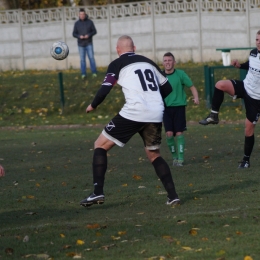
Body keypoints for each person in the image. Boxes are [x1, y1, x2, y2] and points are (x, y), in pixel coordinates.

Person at [80, 35, 180, 207]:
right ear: (134, 48)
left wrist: (93, 105)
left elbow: (105, 89)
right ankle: (173, 196)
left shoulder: (116, 64)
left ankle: (97, 192)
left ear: (118, 50)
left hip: (134, 111)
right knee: (154, 154)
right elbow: (167, 87)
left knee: (100, 145)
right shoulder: (149, 62)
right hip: (155, 112)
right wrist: (153, 100)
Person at [199, 30, 260, 169]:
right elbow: (251, 66)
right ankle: (214, 115)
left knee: (248, 130)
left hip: (256, 98)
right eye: (257, 39)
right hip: (245, 86)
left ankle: (246, 160)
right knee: (220, 85)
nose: (259, 42)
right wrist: (240, 66)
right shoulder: (253, 53)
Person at [162, 52, 199, 166]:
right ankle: (174, 158)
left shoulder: (180, 74)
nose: (167, 63)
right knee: (168, 134)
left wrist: (196, 97)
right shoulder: (159, 76)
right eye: (165, 61)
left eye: (169, 60)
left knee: (178, 132)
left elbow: (192, 86)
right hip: (165, 108)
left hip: (179, 107)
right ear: (163, 63)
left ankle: (181, 159)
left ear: (174, 62)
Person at [72, 8, 97, 80]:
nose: (82, 15)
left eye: (83, 14)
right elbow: (74, 33)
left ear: (85, 14)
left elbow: (94, 31)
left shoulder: (90, 22)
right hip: (80, 44)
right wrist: (79, 36)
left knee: (91, 58)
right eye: (80, 14)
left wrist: (88, 35)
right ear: (79, 15)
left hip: (89, 43)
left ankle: (94, 72)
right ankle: (83, 74)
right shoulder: (76, 24)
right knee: (82, 60)